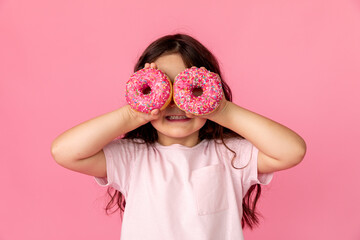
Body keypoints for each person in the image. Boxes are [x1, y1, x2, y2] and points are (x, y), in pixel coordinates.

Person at [51, 33, 306, 240]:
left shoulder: (230, 154)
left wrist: (221, 109)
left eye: (191, 89)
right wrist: (135, 113)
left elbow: (292, 151)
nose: (176, 102)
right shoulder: (132, 158)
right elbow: (64, 152)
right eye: (165, 87)